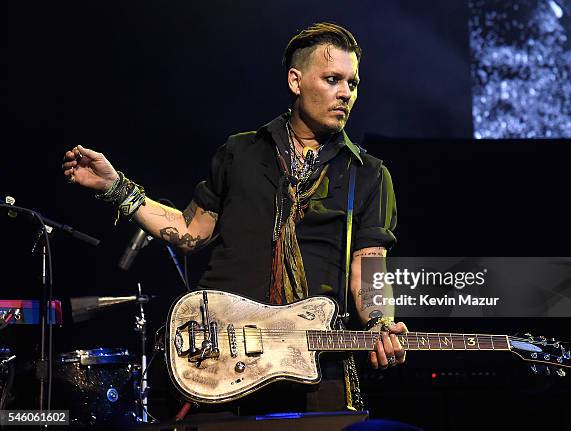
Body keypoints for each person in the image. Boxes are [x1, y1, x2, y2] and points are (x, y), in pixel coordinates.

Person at [61, 22, 407, 413]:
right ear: (296, 81)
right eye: (332, 79)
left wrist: (380, 324)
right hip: (223, 358)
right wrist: (116, 187)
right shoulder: (240, 153)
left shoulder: (368, 173)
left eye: (353, 83)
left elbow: (369, 268)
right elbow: (190, 232)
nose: (345, 92)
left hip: (315, 366)